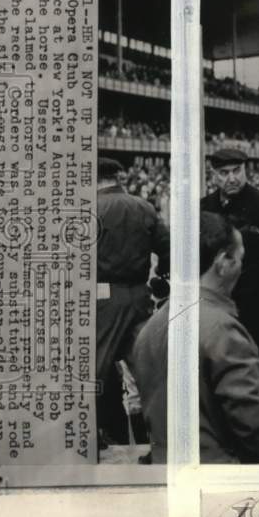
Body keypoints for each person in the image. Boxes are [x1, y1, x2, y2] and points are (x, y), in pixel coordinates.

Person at [130, 212, 259, 464]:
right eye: (240, 260)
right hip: (218, 474)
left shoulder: (152, 326)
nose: (241, 267)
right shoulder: (222, 330)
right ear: (223, 263)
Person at [200, 148, 259, 439]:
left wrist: (238, 289)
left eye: (236, 171)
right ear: (213, 175)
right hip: (217, 305)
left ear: (245, 170)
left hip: (258, 306)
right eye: (224, 173)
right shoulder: (204, 205)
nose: (231, 178)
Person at [95, 156, 170, 451]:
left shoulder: (89, 208)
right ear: (119, 177)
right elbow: (167, 249)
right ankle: (159, 444)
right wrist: (160, 278)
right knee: (148, 374)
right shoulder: (144, 206)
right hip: (140, 296)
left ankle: (101, 442)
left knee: (95, 374)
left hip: (102, 297)